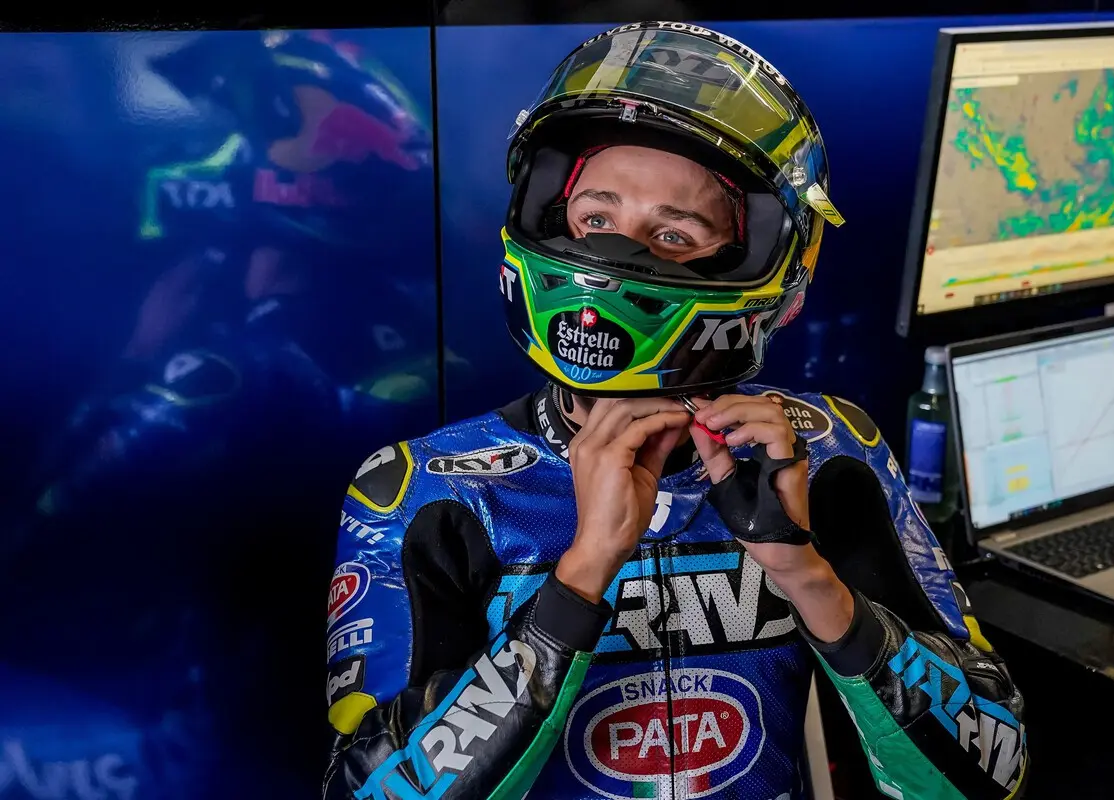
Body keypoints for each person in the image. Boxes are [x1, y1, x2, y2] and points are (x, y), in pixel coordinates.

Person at [324, 21, 1028, 800]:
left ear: (763, 262)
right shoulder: (428, 490)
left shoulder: (829, 453)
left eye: (672, 232)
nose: (615, 256)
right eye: (597, 219)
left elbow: (990, 773)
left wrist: (807, 577)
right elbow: (369, 789)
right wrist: (581, 575)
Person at [0, 29, 439, 798]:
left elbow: (39, 531)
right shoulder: (418, 343)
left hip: (212, 744)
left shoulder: (226, 376)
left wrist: (138, 363)